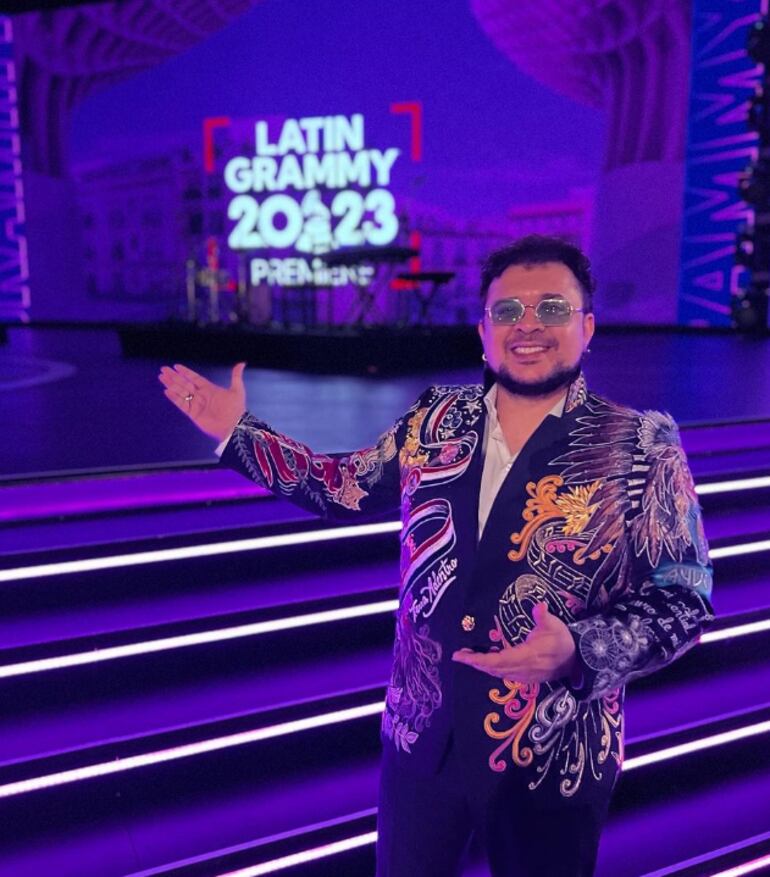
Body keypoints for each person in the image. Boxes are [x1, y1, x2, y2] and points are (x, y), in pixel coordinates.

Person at [158, 234, 715, 877]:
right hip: (421, 738)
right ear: (483, 332)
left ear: (587, 327)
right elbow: (344, 484)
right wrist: (239, 433)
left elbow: (684, 596)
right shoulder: (434, 419)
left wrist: (579, 649)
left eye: (552, 308)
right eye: (507, 311)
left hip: (553, 751)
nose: (528, 326)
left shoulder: (640, 443)